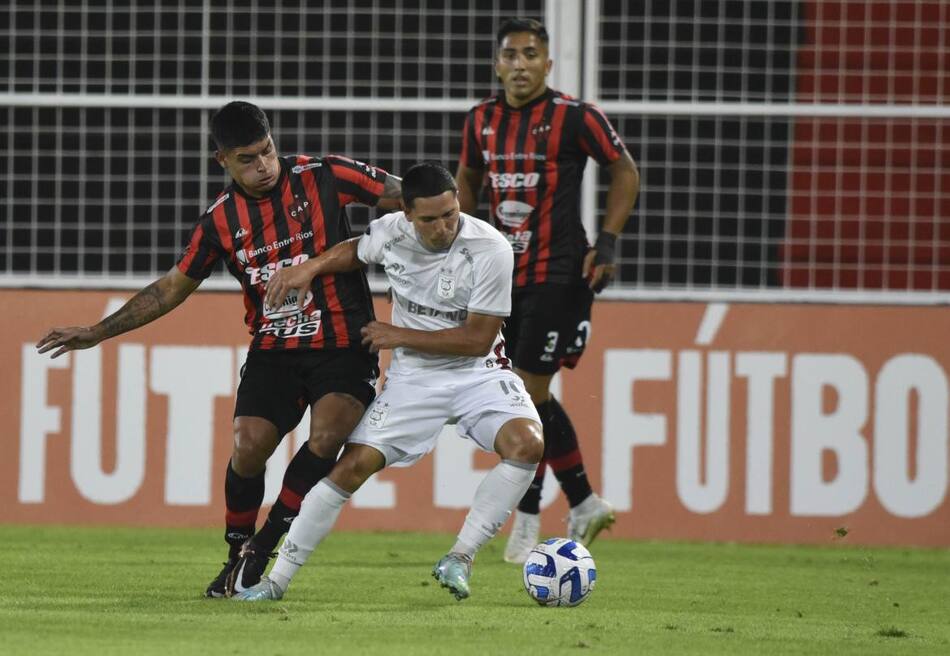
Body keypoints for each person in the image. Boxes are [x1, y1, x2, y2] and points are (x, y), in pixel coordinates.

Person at [35, 101, 402, 597]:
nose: (264, 165)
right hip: (275, 348)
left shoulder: (324, 175)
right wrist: (99, 331)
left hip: (343, 342)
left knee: (328, 432)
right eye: (248, 159)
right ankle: (236, 554)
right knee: (248, 447)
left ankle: (264, 546)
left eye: (267, 151)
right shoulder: (220, 221)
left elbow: (408, 196)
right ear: (222, 160)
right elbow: (171, 287)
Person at [232, 162, 543, 602]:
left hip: (478, 375)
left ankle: (460, 556)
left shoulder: (490, 248)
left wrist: (398, 336)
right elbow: (356, 250)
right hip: (414, 380)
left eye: (450, 214)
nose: (443, 227)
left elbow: (477, 341)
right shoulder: (392, 233)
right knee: (350, 468)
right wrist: (311, 267)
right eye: (429, 219)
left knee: (527, 445)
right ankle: (275, 581)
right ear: (407, 214)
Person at [455, 18, 641, 563]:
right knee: (523, 394)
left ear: (547, 64)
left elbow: (624, 170)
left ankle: (530, 518)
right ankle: (583, 501)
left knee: (525, 390)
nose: (520, 64)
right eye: (510, 55)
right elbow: (467, 179)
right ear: (497, 64)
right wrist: (462, 245)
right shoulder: (480, 120)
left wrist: (607, 243)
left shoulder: (575, 117)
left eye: (530, 54)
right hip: (501, 277)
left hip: (559, 272)